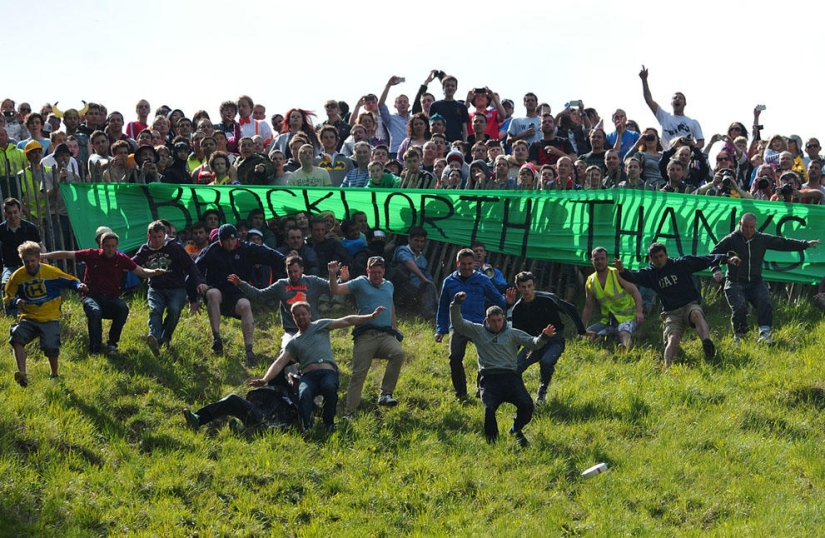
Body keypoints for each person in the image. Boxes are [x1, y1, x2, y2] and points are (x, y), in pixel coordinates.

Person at [246, 302, 386, 432]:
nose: (301, 317)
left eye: (303, 313)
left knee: (329, 387)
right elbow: (279, 362)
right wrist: (264, 379)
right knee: (304, 394)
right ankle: (306, 427)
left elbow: (346, 320)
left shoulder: (320, 325)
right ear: (293, 318)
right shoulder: (293, 342)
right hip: (308, 376)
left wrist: (370, 316)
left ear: (309, 314)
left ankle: (329, 423)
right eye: (297, 315)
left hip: (328, 372)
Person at [449, 291, 556, 446]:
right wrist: (456, 303)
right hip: (489, 378)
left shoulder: (512, 333)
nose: (497, 324)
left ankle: (516, 429)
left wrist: (544, 336)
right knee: (489, 410)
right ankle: (493, 444)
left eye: (499, 320)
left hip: (510, 377)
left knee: (527, 406)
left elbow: (533, 343)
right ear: (487, 320)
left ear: (503, 319)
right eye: (493, 321)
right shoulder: (478, 331)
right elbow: (458, 323)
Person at [615, 243, 740, 367]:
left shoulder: (681, 264)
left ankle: (707, 343)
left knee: (697, 314)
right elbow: (633, 277)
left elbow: (705, 259)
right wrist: (622, 271)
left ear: (666, 255)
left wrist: (727, 258)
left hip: (689, 305)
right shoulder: (650, 274)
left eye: (661, 256)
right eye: (655, 257)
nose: (659, 260)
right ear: (651, 259)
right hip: (671, 313)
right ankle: (667, 368)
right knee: (673, 339)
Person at [41, 231, 166, 355]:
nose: (110, 249)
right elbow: (66, 254)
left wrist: (154, 272)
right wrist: (43, 256)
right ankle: (95, 349)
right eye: (107, 246)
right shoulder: (91, 254)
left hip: (111, 299)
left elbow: (141, 271)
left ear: (117, 246)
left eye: (113, 246)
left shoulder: (121, 258)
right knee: (95, 311)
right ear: (101, 245)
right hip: (91, 297)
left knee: (122, 308)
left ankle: (112, 344)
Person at [710, 213, 820, 345]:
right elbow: (713, 255)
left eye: (751, 227)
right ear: (740, 224)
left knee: (765, 301)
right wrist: (716, 270)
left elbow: (783, 243)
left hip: (756, 281)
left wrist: (805, 244)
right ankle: (739, 335)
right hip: (735, 281)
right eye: (745, 227)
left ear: (755, 226)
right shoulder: (731, 239)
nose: (748, 230)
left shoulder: (761, 238)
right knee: (739, 307)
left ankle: (764, 333)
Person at [190, 224, 286, 361]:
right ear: (220, 240)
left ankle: (249, 350)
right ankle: (216, 338)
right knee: (213, 294)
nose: (230, 242)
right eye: (226, 240)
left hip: (238, 293)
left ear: (237, 239)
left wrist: (286, 262)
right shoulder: (212, 250)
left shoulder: (247, 248)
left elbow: (268, 254)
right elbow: (194, 271)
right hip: (217, 292)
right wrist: (193, 298)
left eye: (233, 239)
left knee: (245, 306)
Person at [328, 257, 405, 416]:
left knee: (398, 353)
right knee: (358, 375)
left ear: (383, 271)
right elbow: (336, 290)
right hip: (365, 335)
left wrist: (395, 327)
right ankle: (350, 412)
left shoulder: (389, 285)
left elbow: (390, 305)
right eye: (373, 272)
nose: (376, 276)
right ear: (367, 271)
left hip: (385, 335)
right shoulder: (360, 282)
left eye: (379, 272)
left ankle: (385, 394)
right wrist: (332, 274)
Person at [5, 241, 87, 387]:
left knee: (51, 347)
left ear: (39, 258)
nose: (29, 264)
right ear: (21, 260)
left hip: (49, 317)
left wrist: (78, 286)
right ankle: (22, 374)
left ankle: (54, 374)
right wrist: (15, 301)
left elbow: (70, 281)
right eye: (26, 262)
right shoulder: (17, 276)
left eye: (32, 261)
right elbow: (7, 296)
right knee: (16, 337)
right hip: (28, 317)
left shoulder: (51, 272)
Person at [435, 248, 513, 401]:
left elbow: (497, 299)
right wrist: (440, 329)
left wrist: (507, 304)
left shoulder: (483, 280)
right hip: (458, 324)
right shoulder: (449, 281)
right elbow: (443, 307)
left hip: (478, 324)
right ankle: (461, 394)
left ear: (474, 264)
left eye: (469, 264)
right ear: (457, 263)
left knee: (486, 358)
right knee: (455, 357)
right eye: (463, 264)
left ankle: (481, 388)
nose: (466, 267)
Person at [132, 220, 208, 356]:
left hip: (176, 288)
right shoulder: (145, 249)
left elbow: (190, 266)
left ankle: (165, 338)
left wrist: (199, 282)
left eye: (160, 237)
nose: (157, 240)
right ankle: (154, 337)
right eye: (154, 237)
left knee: (174, 310)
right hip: (155, 287)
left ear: (165, 235)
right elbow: (131, 264)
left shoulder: (175, 247)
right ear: (149, 236)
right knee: (155, 311)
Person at [511, 271, 588, 405]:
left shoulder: (548, 299)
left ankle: (542, 391)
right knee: (515, 368)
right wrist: (511, 355)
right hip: (534, 343)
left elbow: (570, 308)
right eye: (523, 287)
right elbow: (518, 335)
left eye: (529, 286)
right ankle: (521, 397)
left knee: (546, 362)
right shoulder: (517, 309)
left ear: (534, 285)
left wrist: (582, 330)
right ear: (518, 287)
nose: (527, 290)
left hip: (554, 341)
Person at [228, 255, 329, 353]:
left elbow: (332, 288)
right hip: (291, 331)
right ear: (286, 271)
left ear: (302, 269)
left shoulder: (313, 281)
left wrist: (341, 279)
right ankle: (291, 371)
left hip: (312, 328)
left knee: (320, 352)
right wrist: (241, 284)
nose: (293, 275)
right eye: (290, 272)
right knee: (285, 352)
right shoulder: (281, 285)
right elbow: (260, 295)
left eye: (295, 271)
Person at [581, 246, 644, 350]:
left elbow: (635, 291)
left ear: (607, 260)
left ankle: (625, 348)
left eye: (602, 259)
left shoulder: (616, 273)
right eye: (596, 259)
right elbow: (588, 307)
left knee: (624, 333)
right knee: (585, 337)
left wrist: (639, 312)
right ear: (592, 261)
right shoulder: (590, 281)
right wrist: (581, 328)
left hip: (627, 317)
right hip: (608, 320)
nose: (599, 262)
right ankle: (605, 338)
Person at [639, 66, 704, 150]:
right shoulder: (664, 117)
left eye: (680, 98)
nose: (677, 99)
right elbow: (649, 100)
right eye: (675, 98)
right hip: (668, 157)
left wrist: (693, 146)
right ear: (671, 103)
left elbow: (701, 142)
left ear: (685, 103)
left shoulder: (693, 122)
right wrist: (644, 80)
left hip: (685, 156)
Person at [391, 226, 437, 319]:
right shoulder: (402, 249)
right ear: (409, 239)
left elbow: (429, 280)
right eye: (416, 240)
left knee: (429, 286)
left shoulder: (423, 260)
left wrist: (436, 297)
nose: (419, 244)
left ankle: (428, 314)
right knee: (400, 271)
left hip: (413, 291)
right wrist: (422, 278)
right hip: (398, 288)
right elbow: (408, 261)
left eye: (421, 241)